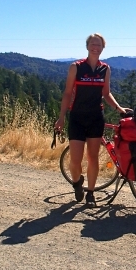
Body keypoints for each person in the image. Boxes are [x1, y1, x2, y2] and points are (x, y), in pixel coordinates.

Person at [54, 33, 127, 207]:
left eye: (99, 45)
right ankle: (77, 182)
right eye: (93, 44)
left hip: (96, 117)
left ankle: (91, 194)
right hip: (77, 117)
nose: (96, 47)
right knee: (75, 161)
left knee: (93, 158)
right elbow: (67, 93)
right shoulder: (76, 67)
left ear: (103, 48)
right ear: (87, 46)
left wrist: (119, 109)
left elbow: (106, 93)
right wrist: (61, 117)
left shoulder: (105, 69)